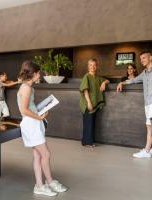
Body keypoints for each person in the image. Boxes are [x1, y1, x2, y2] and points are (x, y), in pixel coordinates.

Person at [17, 61, 67, 197]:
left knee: (38, 155)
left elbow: (29, 108)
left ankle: (39, 185)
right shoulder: (26, 88)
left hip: (33, 123)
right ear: (33, 73)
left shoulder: (28, 87)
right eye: (38, 72)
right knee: (46, 154)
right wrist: (39, 117)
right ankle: (49, 181)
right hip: (31, 124)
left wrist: (41, 111)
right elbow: (24, 110)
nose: (40, 74)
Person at [117, 51, 152, 158]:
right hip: (147, 102)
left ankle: (146, 150)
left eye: (144, 58)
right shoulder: (145, 72)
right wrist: (121, 82)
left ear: (150, 57)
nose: (142, 60)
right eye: (141, 59)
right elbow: (134, 80)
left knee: (149, 125)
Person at [79, 58, 110, 147]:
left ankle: (87, 141)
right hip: (87, 104)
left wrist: (104, 83)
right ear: (88, 66)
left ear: (97, 67)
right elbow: (85, 90)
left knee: (91, 123)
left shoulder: (98, 78)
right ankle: (87, 142)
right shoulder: (87, 76)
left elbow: (108, 80)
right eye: (90, 65)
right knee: (88, 123)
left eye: (94, 65)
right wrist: (89, 102)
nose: (92, 67)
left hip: (94, 104)